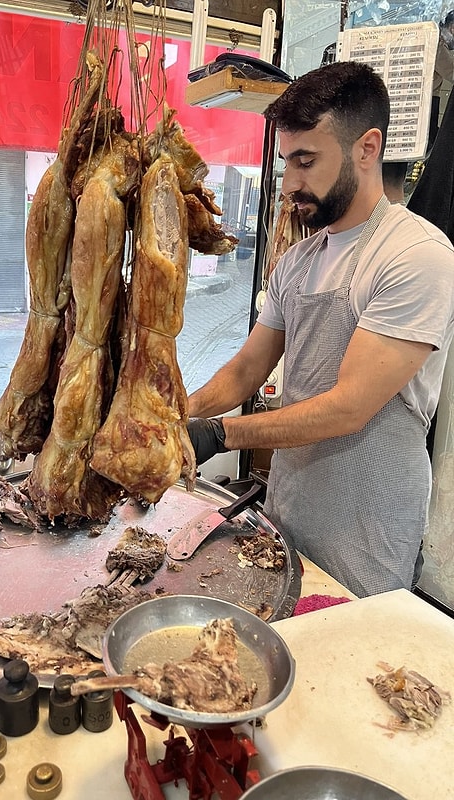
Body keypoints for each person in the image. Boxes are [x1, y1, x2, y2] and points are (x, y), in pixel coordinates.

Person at [187, 60, 454, 598]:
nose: (291, 184)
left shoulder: (415, 255)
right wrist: (175, 417)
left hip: (367, 531)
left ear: (367, 147)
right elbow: (245, 369)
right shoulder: (299, 260)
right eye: (287, 163)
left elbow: (349, 406)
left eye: (306, 162)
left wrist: (221, 435)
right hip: (290, 511)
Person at [430, 10, 454, 147]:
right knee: (431, 142)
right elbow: (451, 71)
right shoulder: (438, 41)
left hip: (430, 97)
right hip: (429, 99)